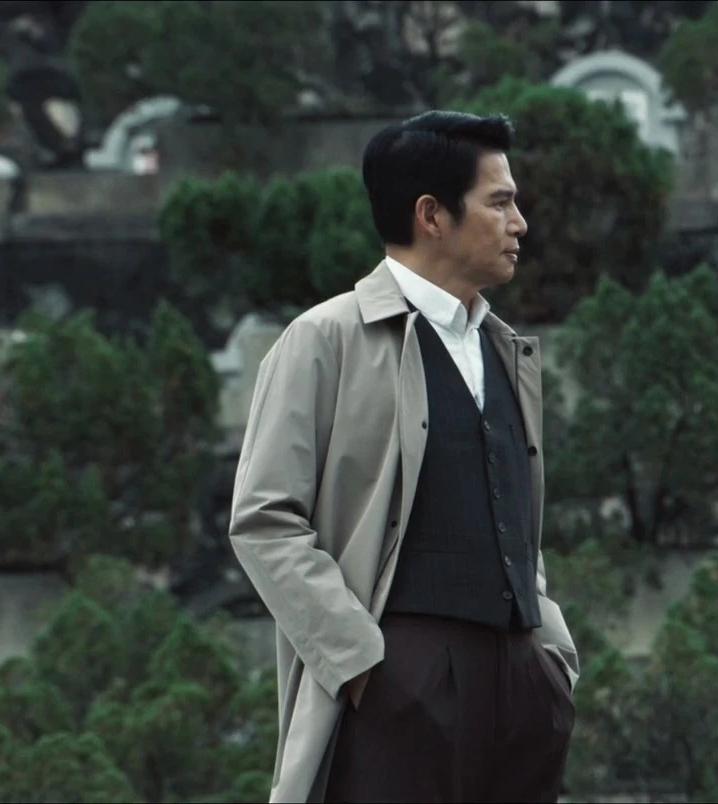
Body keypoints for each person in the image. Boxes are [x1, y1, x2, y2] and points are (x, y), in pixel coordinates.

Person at [229, 110, 577, 804]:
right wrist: (362, 666)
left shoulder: (505, 349)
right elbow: (265, 520)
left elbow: (514, 524)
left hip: (520, 686)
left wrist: (552, 662)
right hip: (397, 682)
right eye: (500, 202)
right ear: (432, 215)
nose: (520, 224)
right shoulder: (324, 339)